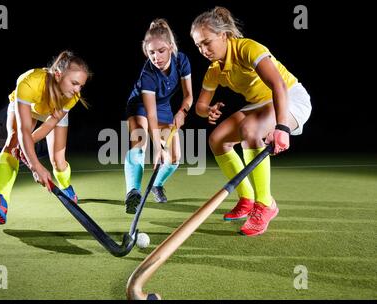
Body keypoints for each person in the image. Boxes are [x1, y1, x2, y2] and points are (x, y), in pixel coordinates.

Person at [190, 7, 312, 236]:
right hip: (260, 104)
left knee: (250, 129)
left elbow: (278, 85)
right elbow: (199, 106)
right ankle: (247, 198)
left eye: (207, 42)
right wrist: (208, 111)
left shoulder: (248, 48)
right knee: (217, 139)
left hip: (290, 96)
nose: (203, 50)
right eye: (198, 46)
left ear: (223, 35)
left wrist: (282, 128)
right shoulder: (215, 69)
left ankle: (265, 204)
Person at [0, 50, 91, 224]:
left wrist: (29, 154)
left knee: (58, 161)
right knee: (13, 141)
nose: (78, 90)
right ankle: (1, 202)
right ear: (58, 75)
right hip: (28, 106)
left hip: (52, 111)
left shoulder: (72, 96)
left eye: (81, 86)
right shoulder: (29, 82)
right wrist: (35, 165)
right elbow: (24, 131)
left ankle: (66, 186)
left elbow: (47, 127)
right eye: (74, 83)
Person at [124, 18, 193, 213]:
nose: (156, 57)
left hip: (164, 107)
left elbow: (189, 96)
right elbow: (150, 113)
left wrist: (182, 111)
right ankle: (132, 192)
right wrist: (157, 147)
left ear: (171, 47)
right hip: (140, 104)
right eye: (151, 52)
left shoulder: (182, 61)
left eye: (161, 51)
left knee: (173, 158)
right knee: (140, 141)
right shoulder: (148, 73)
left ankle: (156, 184)